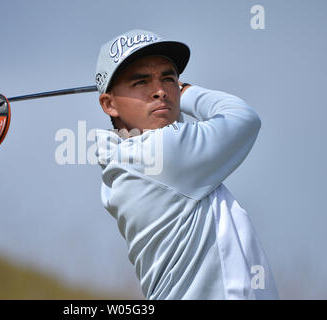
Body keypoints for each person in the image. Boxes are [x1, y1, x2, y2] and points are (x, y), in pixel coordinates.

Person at [93, 29, 279, 299]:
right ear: (109, 104)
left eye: (168, 78)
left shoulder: (124, 162)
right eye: (141, 82)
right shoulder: (162, 153)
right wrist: (186, 91)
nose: (160, 91)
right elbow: (242, 118)